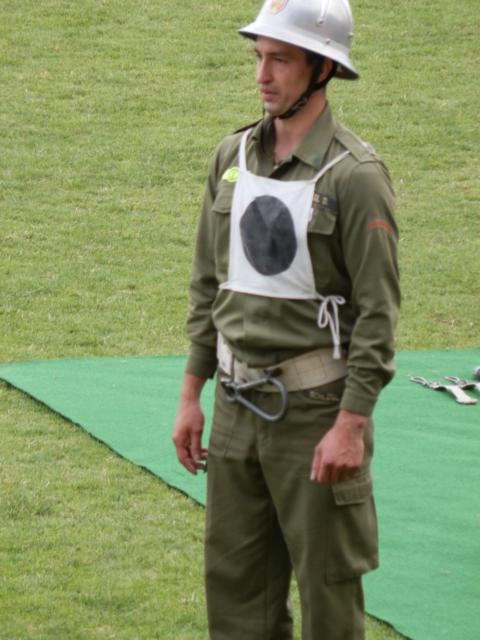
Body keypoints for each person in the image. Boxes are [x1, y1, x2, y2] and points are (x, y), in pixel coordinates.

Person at [172, 0, 400, 638]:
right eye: (258, 57)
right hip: (234, 407)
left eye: (280, 60)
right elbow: (209, 284)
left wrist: (350, 425)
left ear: (322, 68)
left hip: (316, 415)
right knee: (235, 594)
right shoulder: (232, 156)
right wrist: (191, 395)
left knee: (328, 596)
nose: (262, 75)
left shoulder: (357, 177)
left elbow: (378, 316)